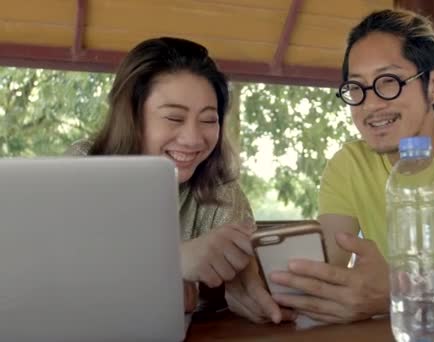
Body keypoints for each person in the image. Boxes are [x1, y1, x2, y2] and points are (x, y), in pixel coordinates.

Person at [268, 9, 434, 323]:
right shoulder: (348, 164)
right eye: (357, 88)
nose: (371, 104)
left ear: (433, 84)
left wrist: (394, 286)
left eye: (388, 82)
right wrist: (271, 292)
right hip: (402, 330)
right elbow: (329, 270)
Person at [65, 37, 293, 324]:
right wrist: (173, 262)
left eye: (209, 120)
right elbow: (63, 276)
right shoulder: (83, 166)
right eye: (174, 118)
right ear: (132, 116)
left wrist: (244, 280)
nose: (193, 139)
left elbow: (239, 279)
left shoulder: (221, 189)